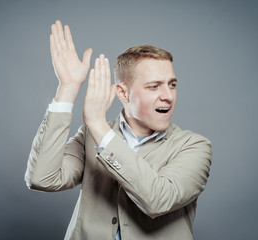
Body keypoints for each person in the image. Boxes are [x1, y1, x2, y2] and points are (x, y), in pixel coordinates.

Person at [25, 20, 212, 240]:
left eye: (172, 84)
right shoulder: (91, 135)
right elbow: (42, 178)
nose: (168, 96)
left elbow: (158, 200)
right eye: (154, 86)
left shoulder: (195, 146)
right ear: (123, 94)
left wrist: (98, 125)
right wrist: (67, 88)